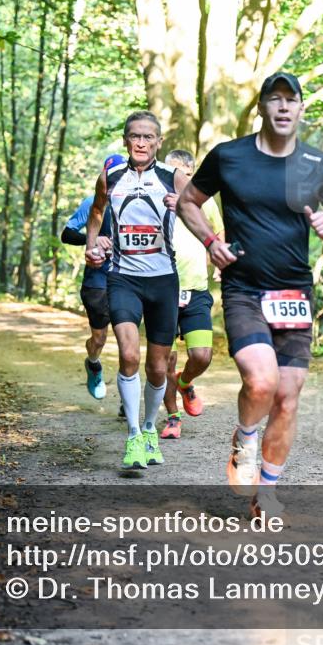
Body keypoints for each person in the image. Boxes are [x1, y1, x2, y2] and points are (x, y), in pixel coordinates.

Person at [176, 72, 323, 515]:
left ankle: (267, 493)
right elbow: (186, 202)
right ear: (260, 107)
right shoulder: (229, 157)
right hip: (244, 287)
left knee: (287, 396)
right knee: (261, 381)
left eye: (290, 100)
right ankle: (245, 438)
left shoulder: (320, 164)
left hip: (294, 292)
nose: (282, 107)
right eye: (273, 99)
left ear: (300, 109)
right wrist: (211, 242)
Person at [85, 111, 190, 470]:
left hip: (163, 279)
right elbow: (97, 213)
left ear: (159, 142)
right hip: (123, 277)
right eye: (134, 136)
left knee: (158, 367)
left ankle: (148, 428)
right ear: (126, 140)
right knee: (129, 355)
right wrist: (92, 241)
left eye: (148, 137)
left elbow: (200, 211)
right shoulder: (111, 176)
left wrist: (184, 206)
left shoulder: (174, 177)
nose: (141, 143)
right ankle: (132, 436)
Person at [158, 149, 224, 439]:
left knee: (202, 356)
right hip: (162, 288)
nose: (176, 179)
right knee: (165, 361)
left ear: (192, 173)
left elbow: (218, 234)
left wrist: (221, 263)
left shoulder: (205, 202)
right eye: (171, 173)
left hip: (196, 288)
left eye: (182, 173)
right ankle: (172, 417)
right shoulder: (154, 199)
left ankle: (186, 383)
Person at [61, 154, 125, 405]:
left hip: (126, 280)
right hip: (97, 281)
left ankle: (125, 400)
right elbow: (67, 235)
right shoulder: (91, 203)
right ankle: (94, 365)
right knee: (99, 339)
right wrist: (94, 238)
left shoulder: (136, 202)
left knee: (126, 341)